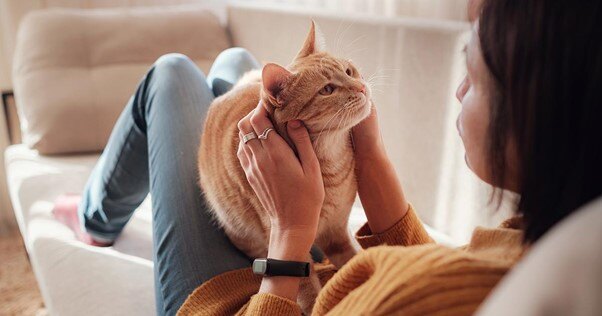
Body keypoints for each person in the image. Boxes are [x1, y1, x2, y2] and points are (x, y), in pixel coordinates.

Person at [52, 0, 602, 315]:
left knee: (171, 73)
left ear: (543, 109)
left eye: (474, 75)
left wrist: (290, 230)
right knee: (237, 60)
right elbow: (433, 268)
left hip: (253, 298)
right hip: (284, 258)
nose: (458, 92)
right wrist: (374, 156)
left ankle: (96, 218)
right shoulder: (538, 236)